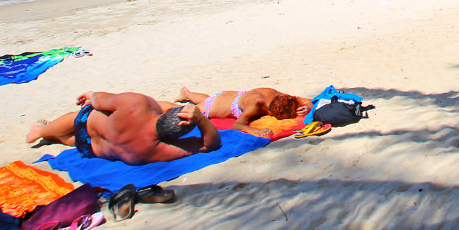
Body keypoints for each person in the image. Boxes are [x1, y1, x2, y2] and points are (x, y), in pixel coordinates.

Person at [26, 91, 221, 165]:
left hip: (86, 124)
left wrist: (92, 95)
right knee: (77, 139)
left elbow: (101, 100)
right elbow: (211, 144)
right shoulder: (154, 150)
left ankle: (41, 132)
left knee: (80, 118)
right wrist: (202, 122)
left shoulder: (136, 103)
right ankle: (58, 138)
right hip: (90, 149)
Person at [176, 85, 311, 132]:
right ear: (271, 112)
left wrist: (306, 107)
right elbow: (237, 125)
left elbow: (308, 101)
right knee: (179, 110)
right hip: (212, 107)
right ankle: (173, 102)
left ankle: (187, 93)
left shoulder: (275, 94)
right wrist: (256, 131)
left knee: (206, 98)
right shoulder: (254, 105)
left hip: (226, 97)